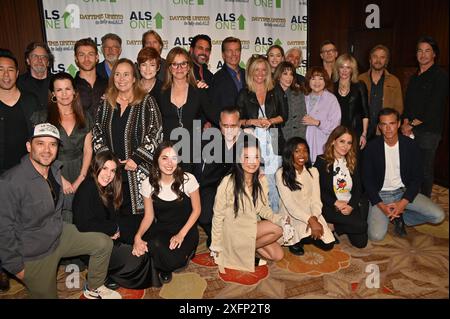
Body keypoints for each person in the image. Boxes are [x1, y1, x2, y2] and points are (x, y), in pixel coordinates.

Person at [0, 123, 121, 299]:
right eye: (40, 143)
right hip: (35, 253)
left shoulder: (55, 171)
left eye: (53, 144)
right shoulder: (11, 182)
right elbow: (3, 231)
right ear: (29, 146)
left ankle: (94, 286)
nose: (47, 150)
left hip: (59, 234)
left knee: (103, 243)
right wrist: (17, 268)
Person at [93, 58, 162, 233]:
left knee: (140, 221)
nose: (121, 79)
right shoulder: (105, 102)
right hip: (111, 173)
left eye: (126, 74)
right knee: (113, 216)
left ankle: (142, 254)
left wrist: (136, 158)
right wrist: (109, 161)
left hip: (138, 171)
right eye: (117, 74)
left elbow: (156, 132)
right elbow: (97, 132)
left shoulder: (147, 101)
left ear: (133, 78)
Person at [73, 151, 159, 289]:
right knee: (139, 259)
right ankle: (102, 272)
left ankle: (138, 250)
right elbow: (83, 225)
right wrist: (113, 229)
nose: (108, 175)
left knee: (146, 226)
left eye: (112, 170)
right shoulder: (88, 187)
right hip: (93, 244)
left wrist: (130, 234)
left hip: (107, 232)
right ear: (96, 167)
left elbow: (112, 217)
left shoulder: (107, 187)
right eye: (105, 168)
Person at [363, 108, 445, 241]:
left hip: (403, 192)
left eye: (392, 123)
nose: (388, 128)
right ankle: (390, 214)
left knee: (438, 215)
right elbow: (367, 180)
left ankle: (401, 216)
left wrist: (403, 203)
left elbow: (417, 177)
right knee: (375, 236)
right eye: (384, 124)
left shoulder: (411, 146)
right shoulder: (371, 148)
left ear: (399, 124)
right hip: (381, 195)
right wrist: (381, 205)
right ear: (379, 126)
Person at [210, 139, 284, 273]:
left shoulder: (261, 180)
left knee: (278, 255)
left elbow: (262, 208)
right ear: (239, 158)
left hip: (250, 226)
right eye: (247, 157)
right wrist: (216, 244)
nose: (252, 162)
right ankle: (233, 250)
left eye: (256, 157)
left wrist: (278, 217)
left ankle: (240, 252)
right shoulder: (228, 182)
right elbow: (218, 215)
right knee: (277, 229)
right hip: (234, 230)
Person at [0, 49, 41, 293]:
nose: (5, 74)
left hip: (27, 171)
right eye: (0, 70)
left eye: (10, 70)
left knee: (25, 221)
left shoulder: (30, 100)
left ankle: (26, 264)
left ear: (18, 72)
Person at [31, 72, 93, 223]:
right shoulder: (42, 117)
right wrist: (59, 177)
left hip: (81, 170)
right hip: (52, 171)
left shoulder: (85, 116)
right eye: (59, 90)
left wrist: (81, 178)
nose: (64, 94)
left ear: (74, 92)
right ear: (53, 94)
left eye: (67, 89)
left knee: (82, 215)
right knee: (57, 216)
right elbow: (39, 152)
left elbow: (88, 150)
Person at [137, 141, 200, 284]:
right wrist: (138, 236)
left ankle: (184, 254)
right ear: (156, 160)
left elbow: (197, 210)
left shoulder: (188, 179)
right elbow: (149, 216)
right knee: (153, 245)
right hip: (163, 229)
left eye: (173, 158)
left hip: (186, 230)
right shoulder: (148, 183)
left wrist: (181, 235)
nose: (169, 163)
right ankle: (165, 263)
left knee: (174, 263)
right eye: (164, 158)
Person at [237, 55, 287, 212]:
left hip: (274, 142)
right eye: (256, 70)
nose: (260, 73)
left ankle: (276, 216)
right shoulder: (244, 93)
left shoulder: (275, 90)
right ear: (251, 72)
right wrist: (253, 121)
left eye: (264, 70)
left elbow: (284, 116)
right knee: (258, 181)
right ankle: (261, 216)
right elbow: (237, 121)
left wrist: (270, 121)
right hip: (254, 144)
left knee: (274, 181)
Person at [401, 36, 449, 197]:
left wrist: (410, 125)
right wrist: (405, 123)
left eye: (427, 51)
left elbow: (433, 108)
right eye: (420, 51)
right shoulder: (414, 77)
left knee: (425, 170)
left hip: (428, 132)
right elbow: (408, 104)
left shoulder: (440, 76)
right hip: (410, 130)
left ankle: (424, 203)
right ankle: (410, 201)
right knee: (410, 168)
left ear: (434, 54)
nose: (423, 54)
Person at [199, 106, 250, 247]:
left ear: (239, 124)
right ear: (220, 124)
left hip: (237, 187)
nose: (229, 130)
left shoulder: (248, 142)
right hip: (212, 186)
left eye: (233, 126)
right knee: (204, 216)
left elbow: (252, 171)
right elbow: (201, 173)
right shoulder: (208, 141)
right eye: (225, 125)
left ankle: (228, 238)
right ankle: (215, 235)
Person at [159, 47, 214, 174]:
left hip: (193, 153)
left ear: (189, 66)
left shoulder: (199, 91)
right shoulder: (161, 93)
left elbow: (213, 115)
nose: (179, 68)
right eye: (175, 64)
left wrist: (235, 124)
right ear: (169, 68)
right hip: (168, 153)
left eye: (183, 63)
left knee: (191, 190)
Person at [276, 137, 335, 256]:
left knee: (328, 245)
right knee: (305, 234)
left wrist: (314, 217)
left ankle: (306, 236)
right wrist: (310, 220)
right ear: (289, 153)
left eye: (305, 150)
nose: (302, 154)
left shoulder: (313, 171)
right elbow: (290, 205)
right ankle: (295, 241)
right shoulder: (281, 173)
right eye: (297, 151)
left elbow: (316, 200)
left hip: (312, 213)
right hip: (292, 215)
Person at [314, 126, 368, 248]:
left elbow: (358, 188)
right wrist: (335, 202)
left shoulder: (352, 160)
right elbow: (316, 190)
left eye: (349, 143)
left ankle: (333, 226)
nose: (345, 146)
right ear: (333, 141)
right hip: (330, 206)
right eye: (342, 141)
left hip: (348, 204)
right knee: (361, 225)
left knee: (361, 243)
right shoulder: (322, 161)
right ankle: (333, 223)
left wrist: (351, 206)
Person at [358, 44, 403, 140]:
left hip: (384, 131)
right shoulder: (360, 79)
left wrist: (390, 127)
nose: (378, 60)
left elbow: (399, 108)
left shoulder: (394, 81)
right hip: (363, 131)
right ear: (370, 60)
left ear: (386, 61)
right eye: (375, 56)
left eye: (382, 57)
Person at [303, 66, 341, 164]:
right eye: (313, 78)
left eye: (320, 78)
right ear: (308, 80)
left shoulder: (331, 99)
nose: (317, 82)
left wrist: (317, 122)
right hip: (303, 145)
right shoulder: (303, 97)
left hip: (322, 145)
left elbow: (335, 126)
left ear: (325, 81)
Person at [332, 53, 369, 149]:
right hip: (336, 131)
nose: (344, 71)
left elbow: (365, 112)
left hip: (355, 131)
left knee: (353, 161)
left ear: (352, 70)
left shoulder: (360, 86)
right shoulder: (331, 86)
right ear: (337, 69)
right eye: (342, 67)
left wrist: (364, 134)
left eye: (348, 67)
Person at [210, 37, 246, 125]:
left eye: (237, 50)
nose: (234, 54)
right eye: (229, 51)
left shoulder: (249, 75)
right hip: (227, 129)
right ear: (223, 55)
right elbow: (214, 108)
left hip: (248, 128)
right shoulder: (217, 79)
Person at [73, 37, 108, 118]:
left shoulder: (109, 85)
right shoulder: (71, 87)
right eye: (82, 55)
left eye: (90, 54)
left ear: (97, 57)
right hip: (81, 130)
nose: (86, 59)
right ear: (76, 59)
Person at [273, 61, 307, 141]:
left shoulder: (298, 93)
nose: (289, 77)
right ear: (278, 76)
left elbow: (302, 119)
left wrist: (299, 140)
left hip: (296, 138)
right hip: (275, 139)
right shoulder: (271, 94)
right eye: (285, 74)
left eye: (291, 74)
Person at [17, 42, 53, 110]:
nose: (39, 60)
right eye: (34, 56)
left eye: (43, 57)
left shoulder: (57, 81)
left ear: (48, 62)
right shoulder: (18, 83)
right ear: (28, 61)